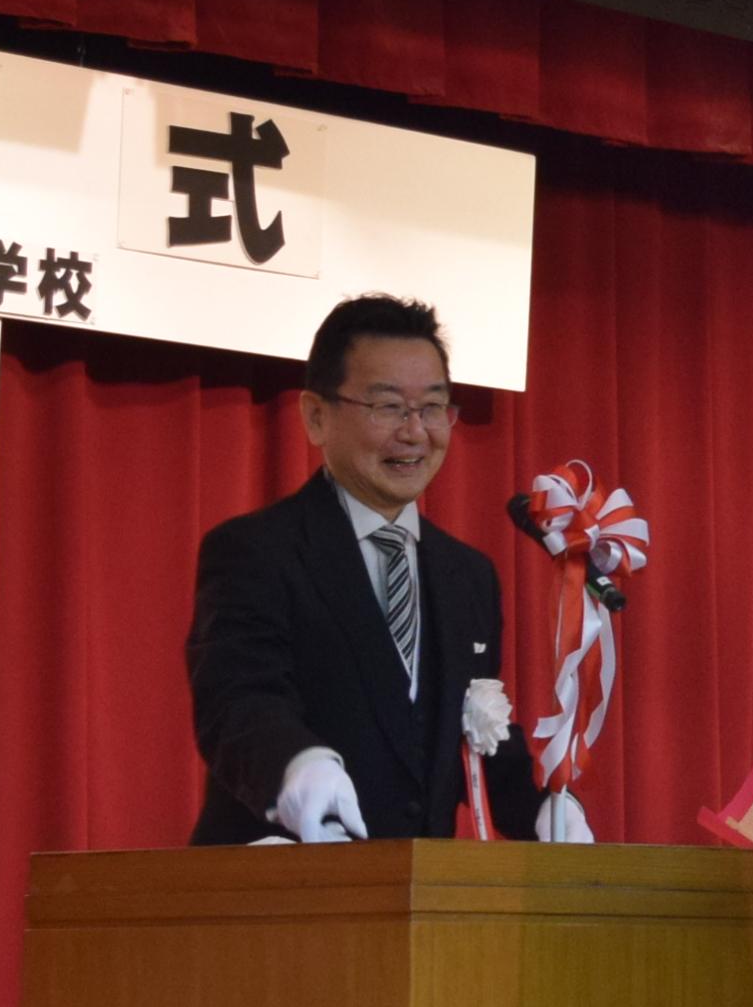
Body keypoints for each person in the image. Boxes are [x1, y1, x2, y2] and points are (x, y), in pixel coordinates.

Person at [186, 294, 541, 846]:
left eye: (432, 406)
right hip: (282, 873)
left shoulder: (468, 575)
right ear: (316, 416)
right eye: (387, 406)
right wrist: (298, 766)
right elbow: (238, 701)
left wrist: (541, 811)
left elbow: (478, 730)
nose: (415, 432)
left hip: (421, 886)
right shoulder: (256, 551)